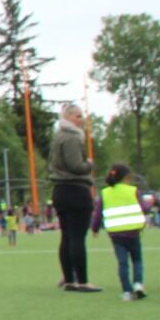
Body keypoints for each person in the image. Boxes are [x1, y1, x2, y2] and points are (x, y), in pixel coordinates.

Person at [50, 104, 101, 292]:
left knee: (66, 237)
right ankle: (82, 280)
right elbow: (75, 166)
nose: (82, 120)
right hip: (75, 190)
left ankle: (69, 279)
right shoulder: (71, 137)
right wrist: (88, 165)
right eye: (79, 116)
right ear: (69, 117)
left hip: (60, 190)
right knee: (77, 237)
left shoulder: (58, 137)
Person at [93, 163, 149, 301]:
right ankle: (138, 284)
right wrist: (149, 203)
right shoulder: (133, 190)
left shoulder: (105, 193)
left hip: (116, 234)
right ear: (126, 177)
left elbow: (98, 214)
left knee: (122, 263)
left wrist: (95, 228)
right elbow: (145, 209)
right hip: (133, 232)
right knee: (137, 260)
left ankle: (126, 292)